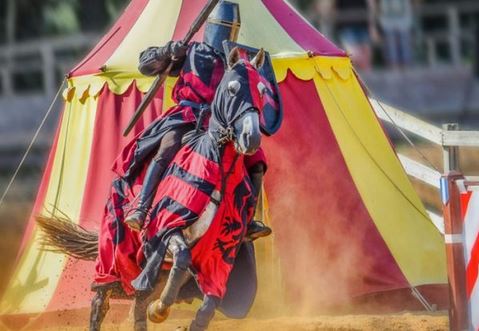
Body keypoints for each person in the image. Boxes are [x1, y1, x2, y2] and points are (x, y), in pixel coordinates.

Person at [122, 1, 271, 240]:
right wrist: (168, 52)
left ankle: (248, 220)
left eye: (231, 28)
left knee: (257, 160)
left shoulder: (236, 63)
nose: (227, 32)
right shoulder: (190, 51)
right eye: (223, 26)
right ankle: (142, 207)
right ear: (211, 26)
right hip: (187, 117)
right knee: (168, 147)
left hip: (222, 125)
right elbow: (145, 64)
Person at [376, 0, 414, 69]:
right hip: (388, 22)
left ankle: (407, 68)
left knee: (405, 44)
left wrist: (407, 22)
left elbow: (407, 8)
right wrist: (383, 23)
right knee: (391, 46)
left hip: (403, 22)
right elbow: (382, 9)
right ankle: (394, 68)